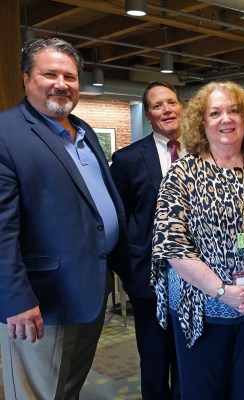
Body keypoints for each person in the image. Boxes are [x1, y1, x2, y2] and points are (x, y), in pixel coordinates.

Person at [0, 37, 129, 399]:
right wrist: (16, 301)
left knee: (69, 388)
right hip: (41, 302)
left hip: (89, 290)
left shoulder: (84, 132)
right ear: (27, 79)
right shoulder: (6, 134)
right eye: (50, 74)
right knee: (36, 393)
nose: (62, 84)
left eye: (70, 76)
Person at [150, 81, 244, 399]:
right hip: (203, 310)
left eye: (235, 110)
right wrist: (222, 292)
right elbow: (172, 246)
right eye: (216, 112)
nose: (227, 119)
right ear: (201, 122)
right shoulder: (182, 173)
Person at [110, 81, 182, 399]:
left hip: (199, 280)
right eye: (157, 105)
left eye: (171, 102)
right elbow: (116, 222)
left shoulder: (208, 151)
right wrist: (131, 275)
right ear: (149, 117)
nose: (166, 109)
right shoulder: (126, 160)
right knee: (154, 362)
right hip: (148, 280)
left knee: (189, 360)